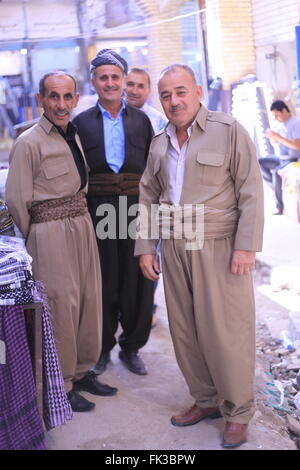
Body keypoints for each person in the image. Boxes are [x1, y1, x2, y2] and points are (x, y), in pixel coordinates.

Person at [135, 64, 264, 448]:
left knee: (227, 331)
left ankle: (238, 411)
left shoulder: (228, 131)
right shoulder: (160, 143)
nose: (174, 101)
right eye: (166, 95)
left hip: (219, 245)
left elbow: (251, 191)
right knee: (186, 330)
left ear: (196, 92)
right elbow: (148, 196)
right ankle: (205, 400)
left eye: (180, 92)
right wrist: (145, 246)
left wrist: (246, 246)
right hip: (174, 246)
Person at [5, 71, 118, 413]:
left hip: (81, 225)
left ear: (76, 99)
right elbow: (16, 203)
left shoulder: (73, 134)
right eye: (54, 97)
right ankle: (63, 383)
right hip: (49, 231)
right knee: (60, 307)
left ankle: (84, 371)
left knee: (88, 299)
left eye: (68, 97)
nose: (61, 104)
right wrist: (36, 241)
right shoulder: (29, 142)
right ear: (41, 100)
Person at [73, 50, 154, 377]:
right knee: (102, 281)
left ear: (123, 81)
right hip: (98, 210)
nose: (110, 83)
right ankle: (101, 348)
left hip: (136, 210)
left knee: (137, 279)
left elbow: (154, 170)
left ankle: (131, 347)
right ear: (93, 82)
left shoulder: (142, 121)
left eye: (115, 77)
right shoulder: (80, 123)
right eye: (103, 77)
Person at [258, 100, 300, 215]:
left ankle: (279, 207)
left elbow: (297, 145)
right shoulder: (280, 124)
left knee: (277, 173)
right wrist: (273, 138)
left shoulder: (295, 124)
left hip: (292, 159)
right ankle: (276, 188)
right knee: (259, 162)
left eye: (277, 115)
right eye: (274, 116)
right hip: (281, 158)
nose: (276, 118)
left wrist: (278, 137)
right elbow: (278, 143)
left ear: (284, 111)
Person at [126, 68, 167, 134]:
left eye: (140, 86)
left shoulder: (160, 122)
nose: (134, 91)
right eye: (130, 84)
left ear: (149, 90)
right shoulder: (108, 116)